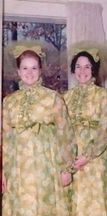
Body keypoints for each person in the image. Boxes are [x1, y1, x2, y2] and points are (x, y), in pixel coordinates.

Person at [2, 44, 75, 216]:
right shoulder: (9, 102)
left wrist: (66, 168)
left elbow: (65, 134)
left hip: (47, 166)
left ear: (40, 70)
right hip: (18, 168)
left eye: (34, 67)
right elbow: (5, 139)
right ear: (18, 72)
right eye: (25, 68)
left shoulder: (53, 98)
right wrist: (4, 173)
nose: (29, 72)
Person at [63, 47, 107, 216]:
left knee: (95, 202)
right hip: (72, 158)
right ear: (73, 69)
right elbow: (62, 130)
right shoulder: (66, 97)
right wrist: (68, 159)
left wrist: (88, 155)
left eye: (87, 66)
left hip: (95, 159)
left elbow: (105, 129)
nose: (82, 71)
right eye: (78, 66)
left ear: (93, 69)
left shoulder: (103, 95)